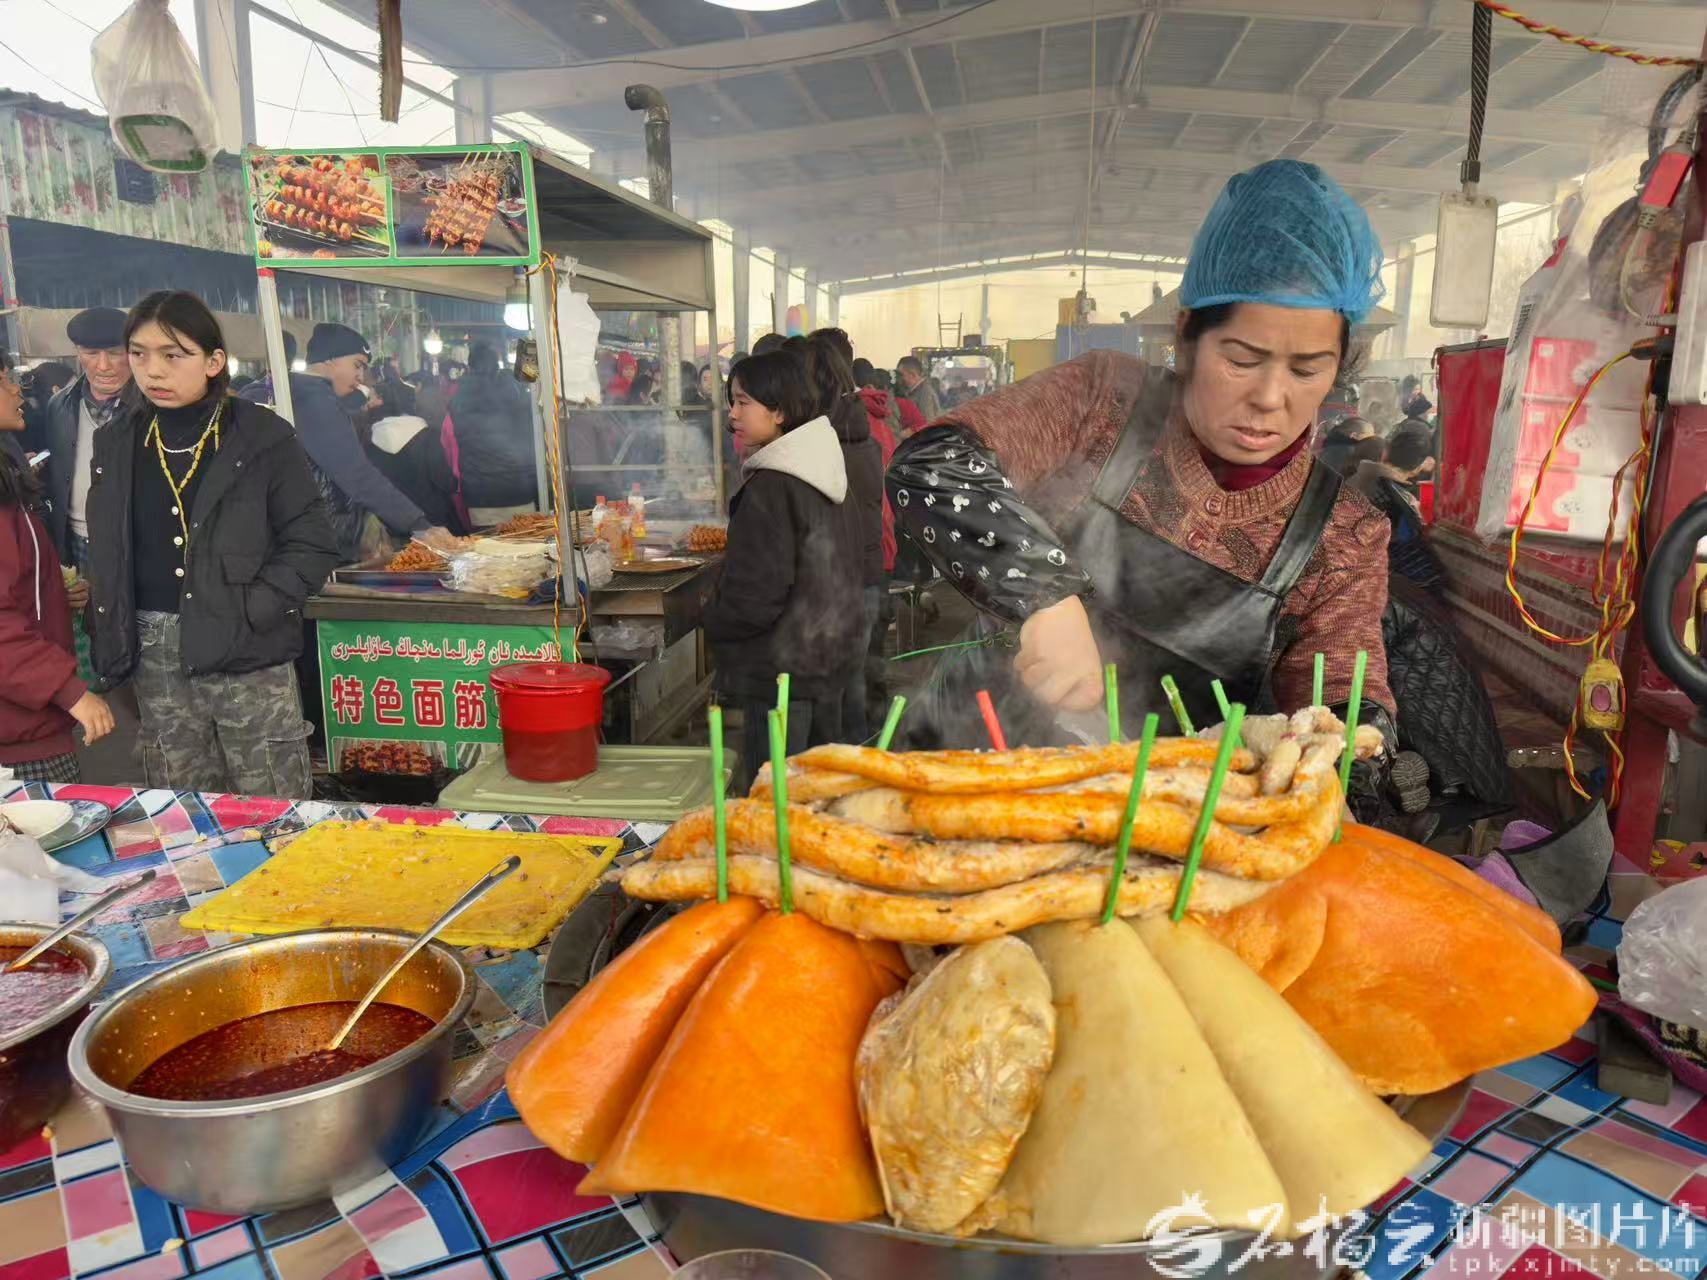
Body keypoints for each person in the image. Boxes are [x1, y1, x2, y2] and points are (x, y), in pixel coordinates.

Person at [886, 158, 1394, 750]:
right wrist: (1044, 594)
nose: (1270, 398)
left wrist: (1357, 751)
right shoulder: (1105, 400)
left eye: (1307, 370)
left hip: (1160, 799)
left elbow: (1343, 704)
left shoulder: (1344, 535)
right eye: (1241, 360)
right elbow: (932, 464)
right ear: (1186, 335)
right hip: (961, 757)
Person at [89, 291, 340, 796]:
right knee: (182, 802)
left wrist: (255, 608)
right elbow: (109, 544)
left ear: (213, 361)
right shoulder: (117, 439)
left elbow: (312, 539)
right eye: (139, 353)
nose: (153, 370)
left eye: (173, 355)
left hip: (247, 643)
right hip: (154, 649)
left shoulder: (261, 435)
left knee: (272, 797)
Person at [705, 351, 863, 793]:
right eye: (732, 402)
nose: (733, 414)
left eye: (743, 402)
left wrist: (710, 617)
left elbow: (755, 597)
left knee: (773, 797)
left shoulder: (773, 486)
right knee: (815, 794)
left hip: (781, 673)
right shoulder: (822, 469)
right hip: (825, 660)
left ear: (779, 411)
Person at [242, 323, 457, 563]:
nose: (361, 377)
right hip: (308, 546)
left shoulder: (268, 393)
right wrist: (418, 524)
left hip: (270, 542)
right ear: (329, 359)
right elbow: (355, 473)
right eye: (357, 365)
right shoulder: (314, 400)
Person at [0, 355, 113, 783]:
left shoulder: (8, 469)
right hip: (20, 738)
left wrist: (48, 595)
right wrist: (69, 690)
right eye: (3, 381)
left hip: (30, 721)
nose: (16, 389)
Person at [806, 328, 884, 744]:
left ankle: (838, 773)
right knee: (850, 691)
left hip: (837, 584)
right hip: (865, 575)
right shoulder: (859, 431)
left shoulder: (822, 446)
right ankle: (853, 767)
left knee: (829, 705)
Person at [41, 308, 130, 582]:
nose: (103, 366)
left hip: (132, 543)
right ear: (78, 353)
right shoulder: (59, 406)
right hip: (75, 541)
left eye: (115, 353)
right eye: (91, 353)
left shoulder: (153, 406)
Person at [443, 343, 536, 526]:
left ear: (470, 368)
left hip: (480, 496)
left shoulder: (458, 402)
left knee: (488, 544)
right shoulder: (517, 396)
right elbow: (533, 434)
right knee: (526, 542)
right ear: (497, 366)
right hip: (520, 490)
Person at [896, 355, 943, 422]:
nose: (898, 378)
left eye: (901, 375)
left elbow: (926, 422)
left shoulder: (926, 393)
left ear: (913, 375)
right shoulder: (909, 392)